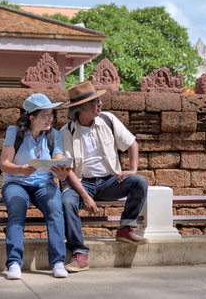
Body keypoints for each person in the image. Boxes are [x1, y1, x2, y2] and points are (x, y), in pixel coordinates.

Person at [53, 81, 148, 273]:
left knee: (139, 182)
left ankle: (126, 228)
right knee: (67, 202)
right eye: (96, 100)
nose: (100, 103)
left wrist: (132, 170)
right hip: (80, 183)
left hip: (109, 181)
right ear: (83, 108)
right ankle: (79, 253)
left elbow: (132, 144)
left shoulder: (108, 120)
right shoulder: (66, 132)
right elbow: (68, 170)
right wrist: (85, 196)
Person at [0, 93, 69, 280]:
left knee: (55, 209)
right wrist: (21, 169)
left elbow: (59, 162)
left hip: (44, 183)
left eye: (51, 114)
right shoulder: (14, 132)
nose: (50, 118)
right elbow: (4, 164)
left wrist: (62, 172)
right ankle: (14, 262)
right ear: (32, 117)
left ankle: (58, 262)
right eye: (45, 114)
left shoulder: (55, 135)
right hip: (16, 182)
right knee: (17, 209)